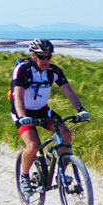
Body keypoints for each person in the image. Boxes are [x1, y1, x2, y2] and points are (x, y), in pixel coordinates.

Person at [11, 39, 89, 194]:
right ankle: (24, 176)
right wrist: (22, 116)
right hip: (23, 111)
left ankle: (61, 172)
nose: (46, 60)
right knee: (33, 146)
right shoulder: (23, 70)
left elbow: (69, 91)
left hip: (42, 110)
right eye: (42, 57)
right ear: (33, 56)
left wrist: (80, 109)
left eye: (48, 57)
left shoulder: (54, 71)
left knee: (65, 134)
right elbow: (17, 96)